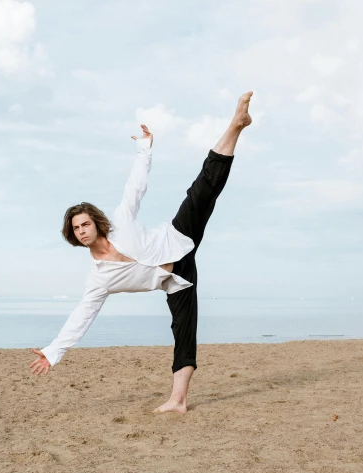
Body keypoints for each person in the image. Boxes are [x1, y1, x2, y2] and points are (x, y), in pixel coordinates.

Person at [30, 91, 253, 413]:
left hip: (177, 237)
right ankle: (178, 400)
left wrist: (144, 148)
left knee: (204, 188)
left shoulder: (120, 221)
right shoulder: (99, 278)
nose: (81, 230)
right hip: (177, 278)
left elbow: (136, 185)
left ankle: (236, 124)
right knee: (183, 331)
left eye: (85, 223)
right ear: (74, 237)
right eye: (76, 229)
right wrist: (53, 352)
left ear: (95, 222)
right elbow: (81, 316)